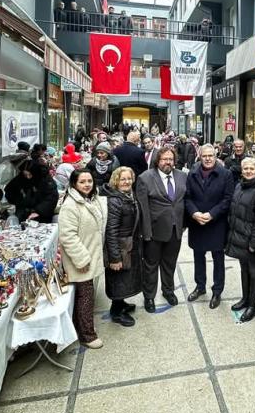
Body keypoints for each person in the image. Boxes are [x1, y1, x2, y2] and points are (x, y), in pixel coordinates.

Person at [58, 169, 106, 349]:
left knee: (84, 294)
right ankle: (87, 335)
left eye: (89, 181)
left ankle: (82, 327)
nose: (87, 185)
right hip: (81, 260)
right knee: (85, 297)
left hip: (90, 255)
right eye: (82, 182)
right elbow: (67, 236)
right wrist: (82, 259)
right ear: (74, 184)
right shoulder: (71, 205)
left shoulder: (89, 199)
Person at [136, 147, 186, 313]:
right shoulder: (145, 178)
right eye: (164, 159)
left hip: (175, 230)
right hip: (154, 232)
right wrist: (146, 232)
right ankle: (149, 296)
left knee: (169, 264)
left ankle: (168, 291)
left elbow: (184, 201)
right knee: (150, 266)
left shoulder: (182, 176)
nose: (168, 162)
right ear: (157, 160)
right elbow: (143, 207)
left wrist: (183, 225)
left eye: (171, 159)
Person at [186, 144, 235, 309]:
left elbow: (228, 199)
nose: (207, 159)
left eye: (211, 156)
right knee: (198, 257)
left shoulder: (225, 174)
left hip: (216, 223)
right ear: (200, 156)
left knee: (218, 258)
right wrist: (194, 213)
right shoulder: (192, 173)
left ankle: (217, 291)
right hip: (197, 222)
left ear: (216, 156)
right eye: (204, 156)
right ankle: (200, 287)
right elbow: (187, 197)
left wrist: (212, 214)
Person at [225, 158, 255, 323]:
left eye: (252, 168)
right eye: (245, 168)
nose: (248, 171)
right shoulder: (240, 185)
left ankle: (253, 306)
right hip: (240, 237)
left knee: (254, 271)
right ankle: (245, 299)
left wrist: (254, 242)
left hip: (252, 240)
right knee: (244, 269)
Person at [102, 167, 143, 327]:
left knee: (124, 278)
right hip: (119, 247)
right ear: (116, 181)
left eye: (129, 178)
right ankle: (116, 312)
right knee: (118, 278)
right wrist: (114, 257)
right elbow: (110, 231)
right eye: (122, 179)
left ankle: (121, 304)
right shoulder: (114, 200)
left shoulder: (127, 196)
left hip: (128, 245)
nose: (126, 182)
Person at [4, 159, 59, 224]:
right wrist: (19, 201)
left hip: (41, 214)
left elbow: (52, 197)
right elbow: (10, 190)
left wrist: (38, 211)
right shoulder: (21, 178)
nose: (28, 177)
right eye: (25, 175)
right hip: (24, 212)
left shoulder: (45, 179)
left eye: (30, 174)